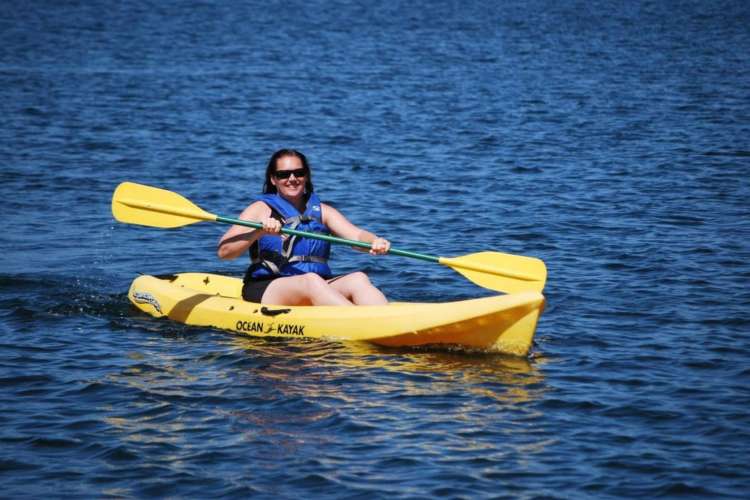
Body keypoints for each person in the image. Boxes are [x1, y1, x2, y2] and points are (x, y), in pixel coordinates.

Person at [218, 149, 390, 306]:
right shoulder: (260, 209)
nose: (292, 178)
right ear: (273, 179)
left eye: (298, 173)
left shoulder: (323, 211)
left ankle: (385, 320)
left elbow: (357, 236)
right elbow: (225, 252)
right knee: (311, 281)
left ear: (306, 176)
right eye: (284, 174)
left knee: (358, 279)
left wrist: (374, 241)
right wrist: (259, 231)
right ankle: (358, 321)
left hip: (316, 285)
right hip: (267, 286)